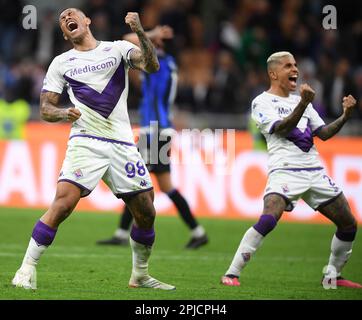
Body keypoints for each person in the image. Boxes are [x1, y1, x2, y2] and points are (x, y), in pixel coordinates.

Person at [12, 8, 175, 291]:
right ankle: (25, 269)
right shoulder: (62, 63)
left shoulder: (118, 50)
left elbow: (152, 66)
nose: (66, 18)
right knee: (63, 203)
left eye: (71, 14)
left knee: (147, 212)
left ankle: (140, 275)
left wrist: (139, 32)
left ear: (86, 21)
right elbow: (45, 109)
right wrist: (63, 113)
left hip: (122, 143)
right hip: (86, 141)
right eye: (63, 20)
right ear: (65, 33)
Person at [221, 51, 362, 289]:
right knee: (268, 218)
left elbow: (324, 134)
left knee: (348, 223)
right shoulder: (262, 102)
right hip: (285, 170)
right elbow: (282, 129)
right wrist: (304, 102)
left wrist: (345, 116)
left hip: (314, 171)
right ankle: (232, 273)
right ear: (274, 73)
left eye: (295, 65)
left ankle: (333, 276)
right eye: (288, 66)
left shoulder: (301, 101)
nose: (295, 69)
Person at [96, 26, 208, 249]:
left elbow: (125, 38)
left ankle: (122, 234)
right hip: (159, 130)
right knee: (163, 186)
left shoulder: (159, 63)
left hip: (154, 131)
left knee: (136, 181)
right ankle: (198, 232)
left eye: (152, 42)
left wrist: (151, 32)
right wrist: (153, 35)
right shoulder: (169, 63)